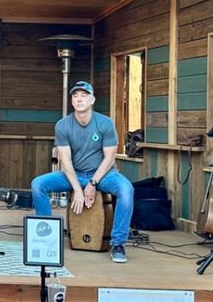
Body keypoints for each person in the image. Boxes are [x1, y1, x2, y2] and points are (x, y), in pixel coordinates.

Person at [30, 81, 135, 263]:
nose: (79, 99)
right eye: (75, 96)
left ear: (92, 100)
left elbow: (109, 158)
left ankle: (118, 244)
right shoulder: (63, 125)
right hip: (75, 173)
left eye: (84, 95)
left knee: (126, 190)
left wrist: (93, 183)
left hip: (104, 174)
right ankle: (48, 237)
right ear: (72, 101)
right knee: (38, 184)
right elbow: (66, 162)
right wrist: (78, 189)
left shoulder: (105, 123)